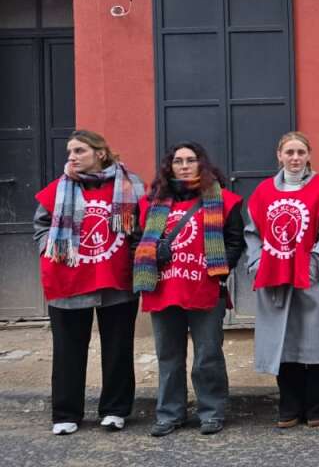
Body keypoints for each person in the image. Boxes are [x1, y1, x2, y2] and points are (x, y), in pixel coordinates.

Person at [33, 130, 146, 435]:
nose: (72, 157)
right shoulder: (59, 189)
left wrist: (136, 261)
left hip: (116, 280)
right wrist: (51, 248)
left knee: (118, 349)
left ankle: (115, 410)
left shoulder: (129, 186)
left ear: (100, 153)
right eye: (70, 152)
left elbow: (141, 227)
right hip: (68, 279)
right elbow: (41, 224)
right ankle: (66, 413)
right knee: (68, 350)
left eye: (79, 151)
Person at [133, 142, 245, 437]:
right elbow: (135, 240)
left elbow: (235, 241)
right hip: (162, 289)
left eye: (190, 160)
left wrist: (220, 272)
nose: (184, 165)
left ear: (201, 164)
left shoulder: (226, 200)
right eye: (178, 161)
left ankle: (211, 412)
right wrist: (150, 253)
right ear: (169, 166)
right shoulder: (149, 203)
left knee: (208, 354)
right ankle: (170, 414)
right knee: (168, 355)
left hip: (205, 290)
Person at [244, 131, 319, 428]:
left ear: (309, 154)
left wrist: (316, 264)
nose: (295, 158)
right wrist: (258, 262)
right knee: (282, 343)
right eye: (289, 152)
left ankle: (316, 407)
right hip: (274, 277)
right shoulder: (263, 192)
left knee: (312, 344)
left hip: (310, 276)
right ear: (279, 155)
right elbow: (253, 233)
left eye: (300, 152)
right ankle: (288, 407)